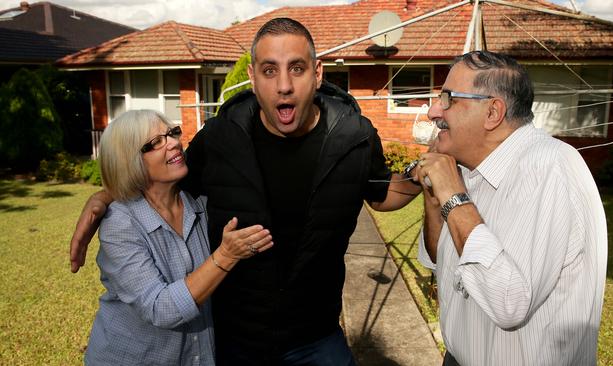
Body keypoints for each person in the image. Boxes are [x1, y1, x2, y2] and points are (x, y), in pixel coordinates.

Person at [70, 18, 421, 365]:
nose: (284, 85)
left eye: (296, 69)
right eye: (269, 71)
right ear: (252, 78)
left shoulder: (355, 138)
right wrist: (106, 196)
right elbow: (160, 182)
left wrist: (422, 177)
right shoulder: (220, 137)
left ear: (317, 73)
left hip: (316, 334)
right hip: (235, 337)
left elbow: (380, 193)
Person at [414, 50, 608, 365]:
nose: (434, 111)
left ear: (493, 112)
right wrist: (435, 199)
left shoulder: (551, 166)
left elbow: (509, 302)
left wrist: (453, 196)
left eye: (448, 98)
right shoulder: (467, 168)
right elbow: (441, 260)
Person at [83, 110, 272, 365]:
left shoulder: (200, 205)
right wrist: (226, 256)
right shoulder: (120, 223)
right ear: (129, 160)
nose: (173, 143)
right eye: (154, 143)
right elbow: (160, 308)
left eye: (172, 133)